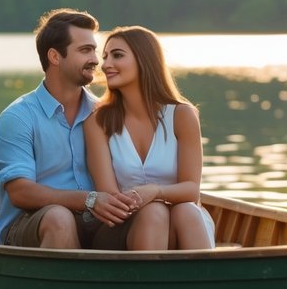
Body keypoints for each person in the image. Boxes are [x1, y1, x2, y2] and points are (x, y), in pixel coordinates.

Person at [0, 9, 133, 248]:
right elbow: (20, 193)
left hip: (94, 221)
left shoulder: (102, 113)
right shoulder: (18, 117)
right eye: (85, 50)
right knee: (59, 218)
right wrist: (87, 200)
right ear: (55, 57)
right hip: (30, 224)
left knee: (151, 216)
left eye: (94, 50)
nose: (96, 60)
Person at [84, 26, 215, 250]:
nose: (105, 65)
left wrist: (155, 191)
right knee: (155, 213)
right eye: (105, 57)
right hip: (123, 225)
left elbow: (191, 190)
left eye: (117, 55)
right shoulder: (97, 122)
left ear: (144, 59)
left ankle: (207, 282)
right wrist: (150, 203)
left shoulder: (182, 115)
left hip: (182, 219)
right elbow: (111, 198)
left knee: (187, 211)